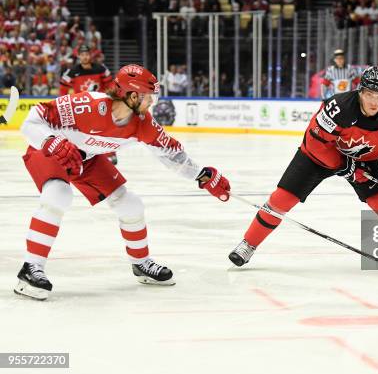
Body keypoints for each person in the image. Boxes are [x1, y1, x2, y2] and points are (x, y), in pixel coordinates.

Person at [14, 65, 231, 300]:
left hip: (88, 158)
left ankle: (141, 264)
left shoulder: (143, 123)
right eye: (150, 97)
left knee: (131, 205)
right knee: (58, 194)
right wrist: (52, 142)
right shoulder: (87, 105)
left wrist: (203, 176)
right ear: (133, 95)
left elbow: (171, 154)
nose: (153, 103)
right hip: (52, 151)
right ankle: (29, 270)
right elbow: (32, 120)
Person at [229, 67, 378, 274]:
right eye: (370, 94)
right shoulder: (339, 106)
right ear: (360, 91)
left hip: (362, 159)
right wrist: (345, 167)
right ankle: (248, 244)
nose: (374, 102)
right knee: (281, 200)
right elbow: (314, 143)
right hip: (316, 156)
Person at [59, 45, 116, 163]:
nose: (85, 57)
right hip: (82, 107)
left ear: (91, 55)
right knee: (81, 134)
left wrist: (111, 98)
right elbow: (63, 88)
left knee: (105, 131)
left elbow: (110, 85)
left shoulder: (100, 69)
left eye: (87, 54)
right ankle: (84, 157)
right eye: (82, 55)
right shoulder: (72, 71)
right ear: (78, 56)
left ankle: (110, 155)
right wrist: (66, 102)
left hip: (100, 106)